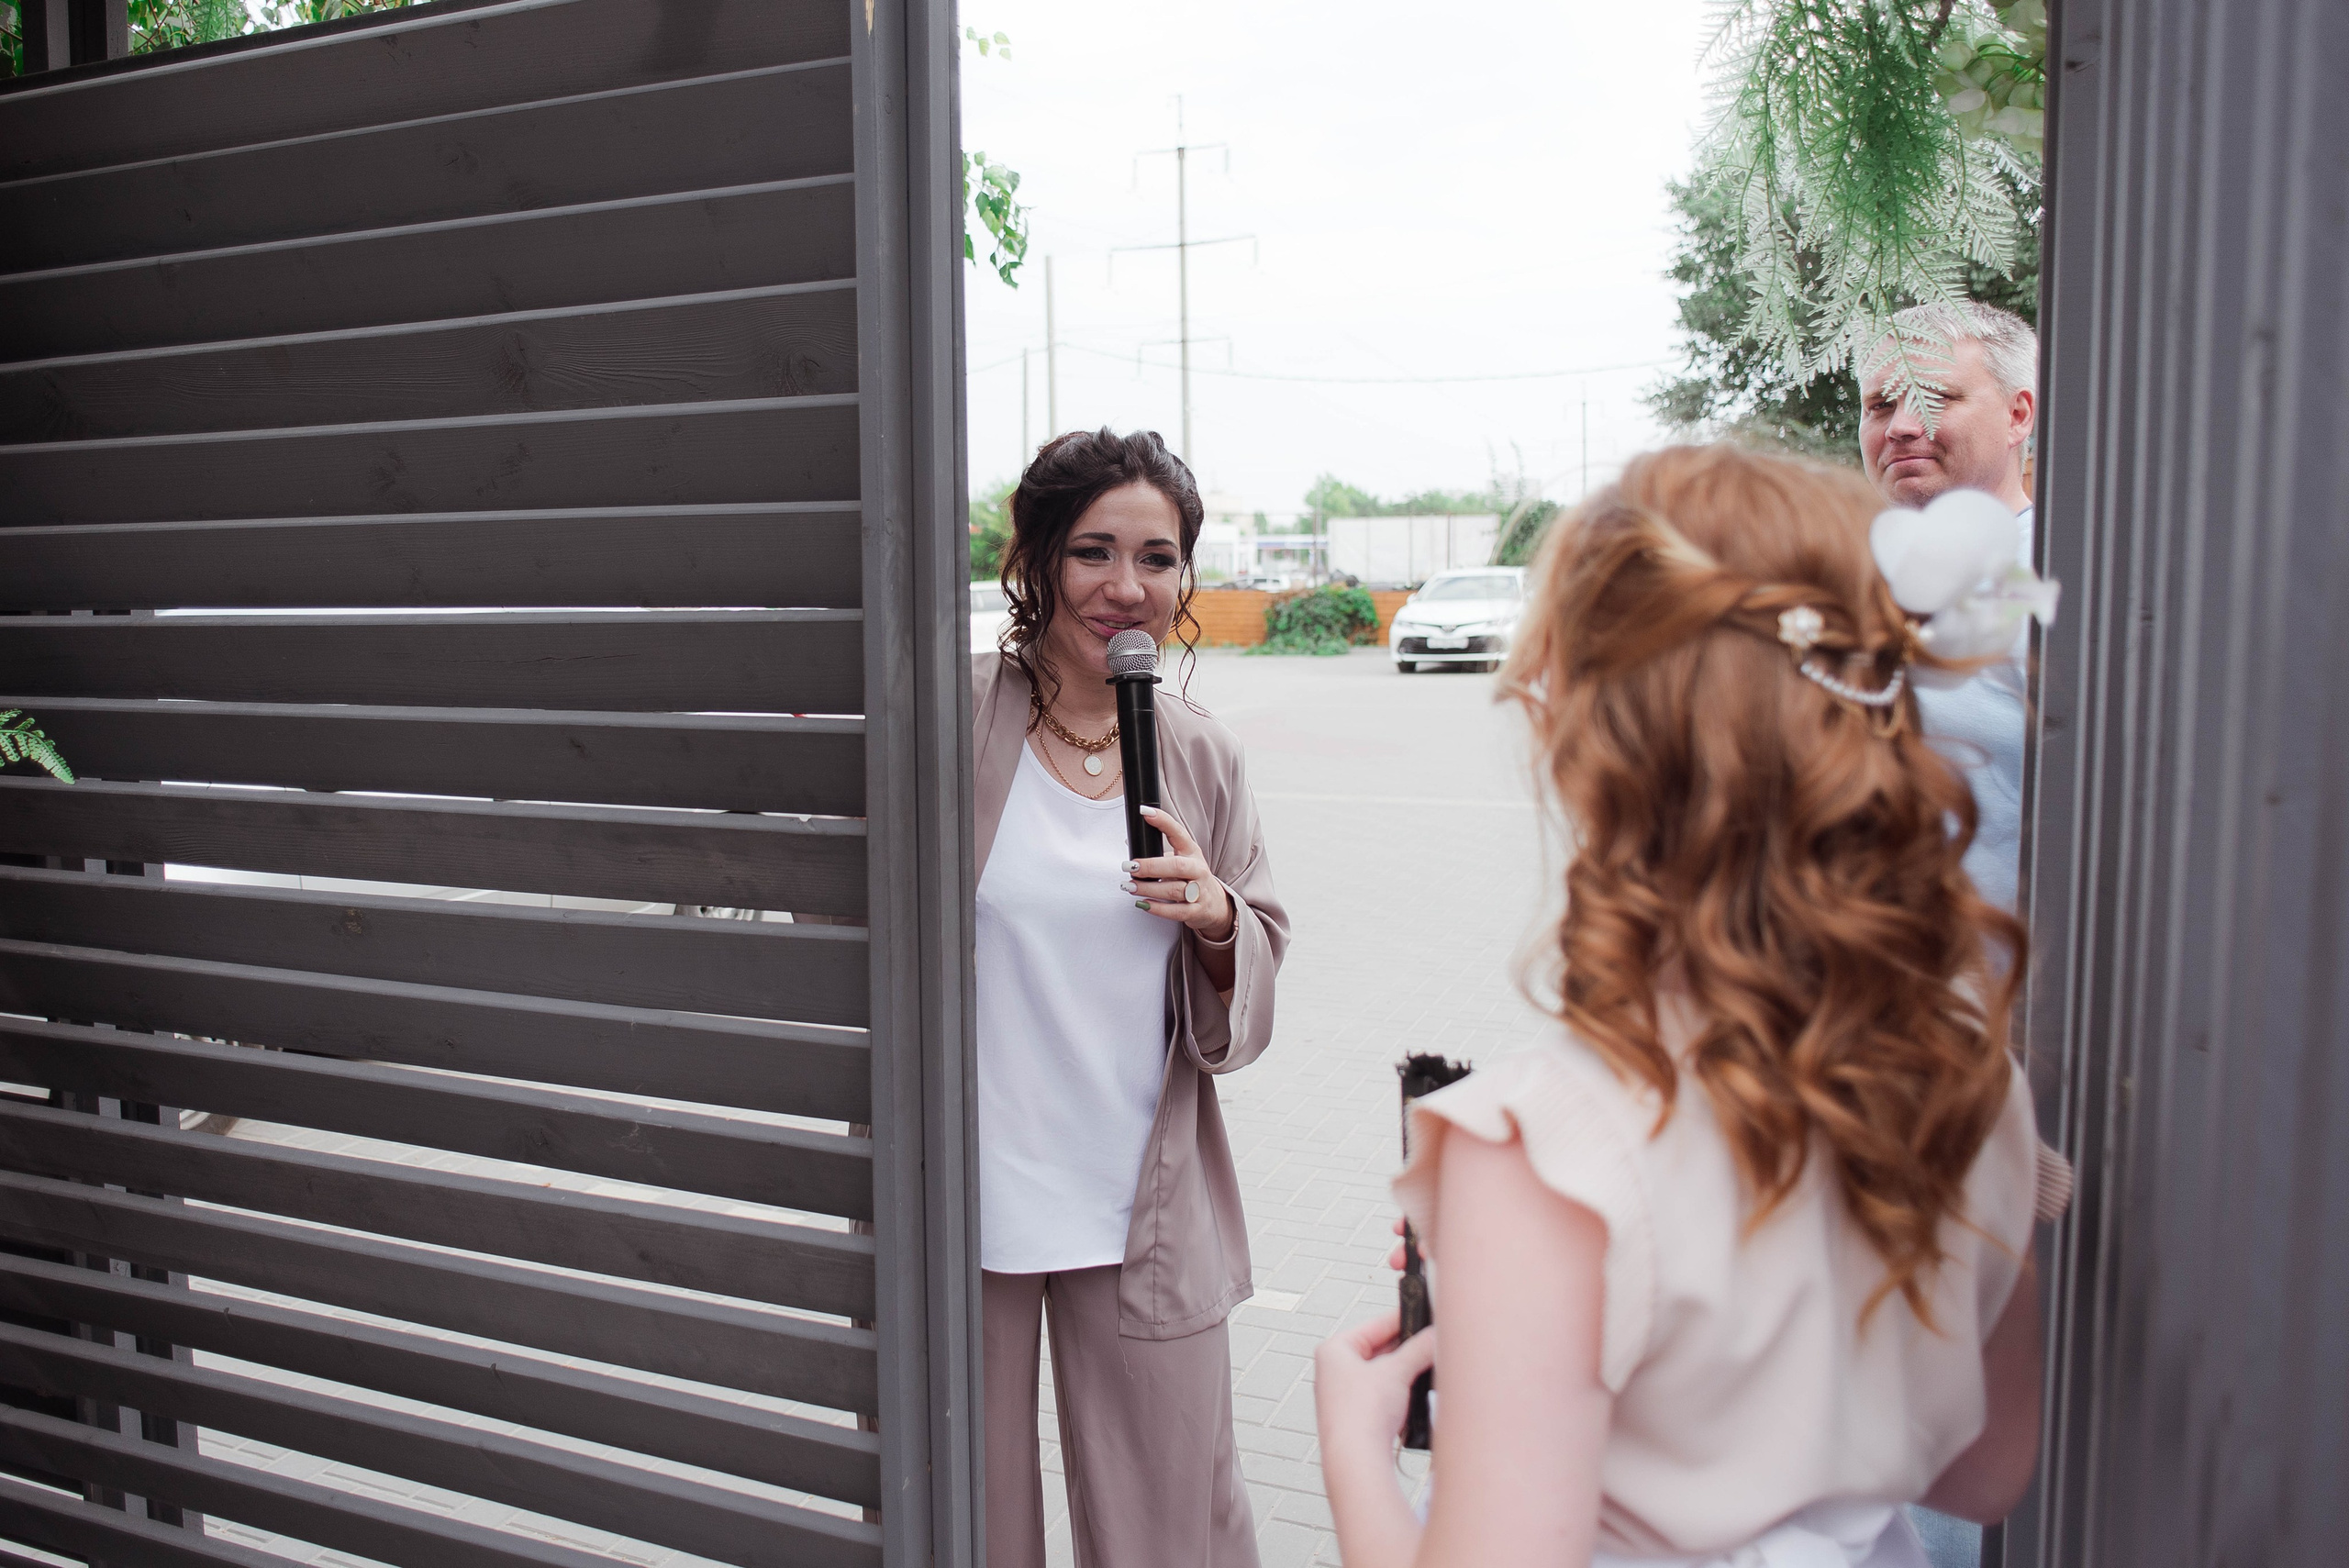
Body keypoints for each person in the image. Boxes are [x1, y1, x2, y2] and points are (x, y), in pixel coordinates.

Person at [1313, 445, 2071, 1568]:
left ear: (1599, 746)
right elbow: (1986, 1468)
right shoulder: (1965, 1074)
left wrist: (1352, 1442)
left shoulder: (1542, 1145)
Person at [972, 428, 1288, 1568]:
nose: (1125, 587)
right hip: (967, 1199)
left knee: (1176, 1525)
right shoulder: (952, 719)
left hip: (1139, 1204)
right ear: (1040, 557)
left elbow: (1244, 1003)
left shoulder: (1201, 754)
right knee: (960, 1518)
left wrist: (1214, 920)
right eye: (1093, 551)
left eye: (1156, 557)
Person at [1860, 300, 2039, 913]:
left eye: (1934, 397)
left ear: (2019, 415)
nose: (1902, 426)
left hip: (2014, 985)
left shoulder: (2060, 574)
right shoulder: (1843, 582)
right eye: (1880, 405)